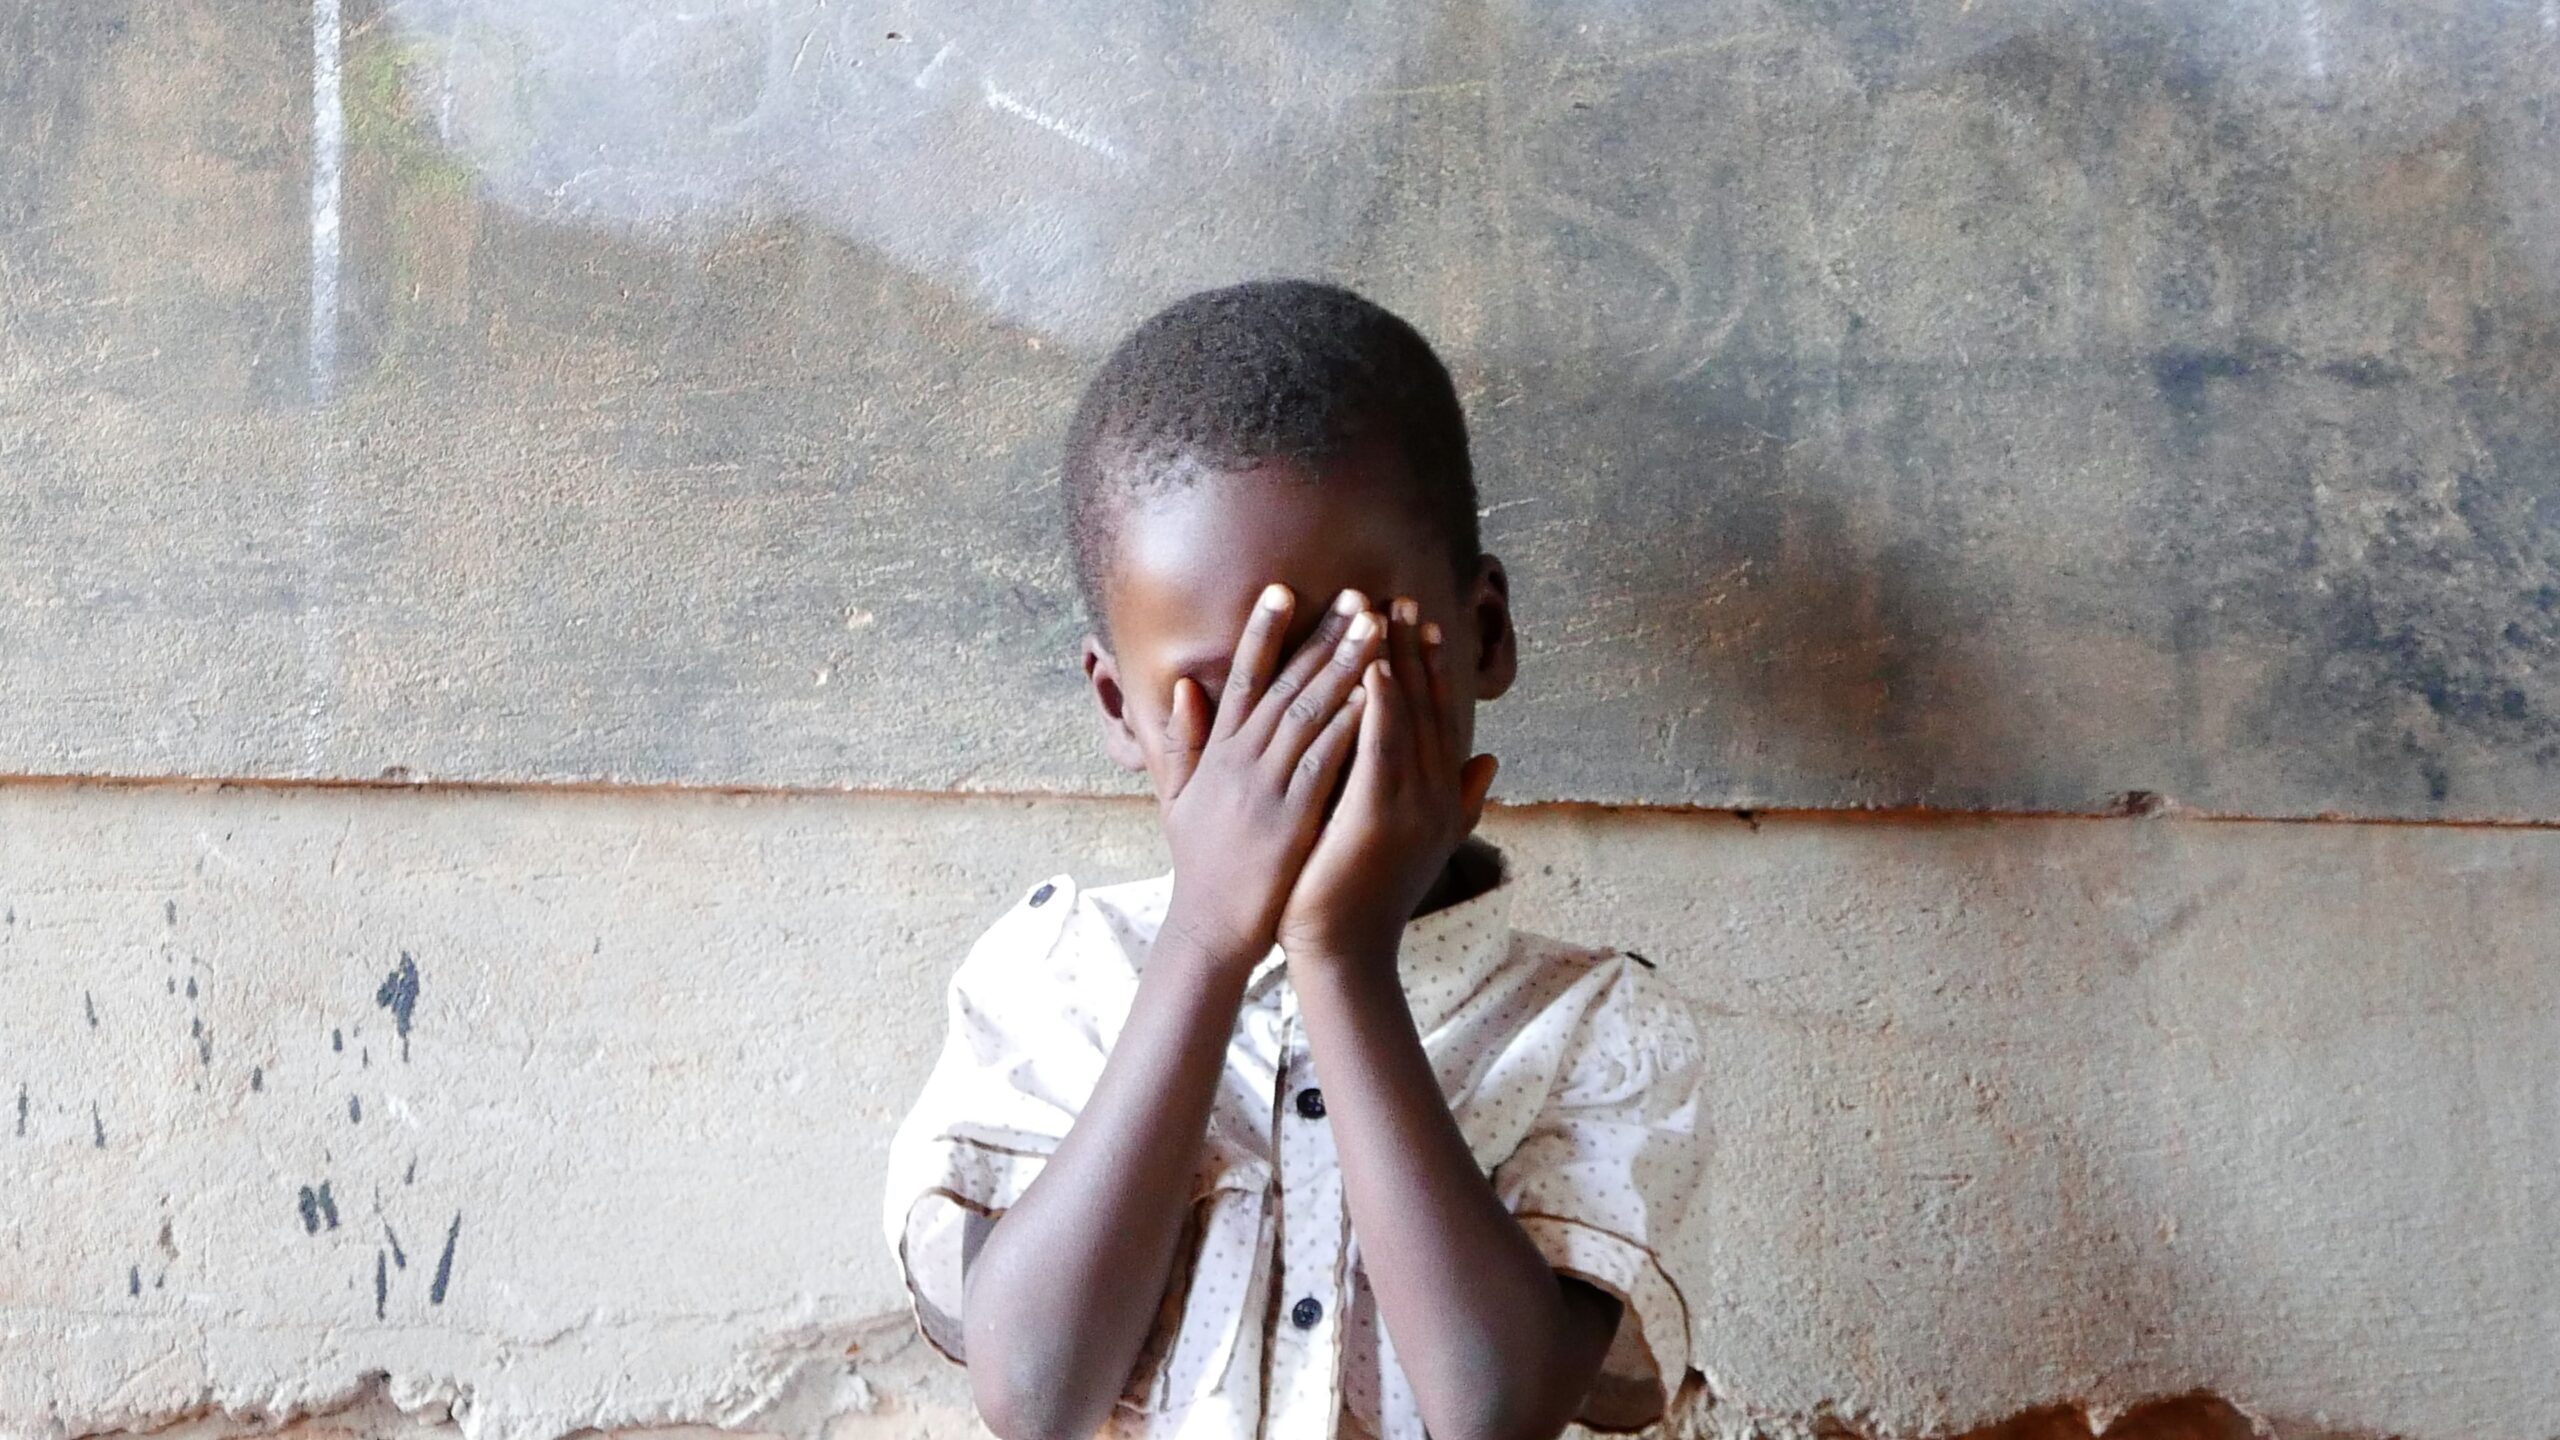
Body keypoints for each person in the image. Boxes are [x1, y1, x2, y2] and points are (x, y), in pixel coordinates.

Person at [882, 279, 1708, 1440]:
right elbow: (1034, 1392)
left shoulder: (1590, 1026)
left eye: (1347, 662)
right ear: (1121, 709)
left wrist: (1341, 959)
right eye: (1230, 694)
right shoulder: (1051, 977)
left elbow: (1492, 1406)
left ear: (1480, 636)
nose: (1296, 739)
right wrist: (1211, 940)